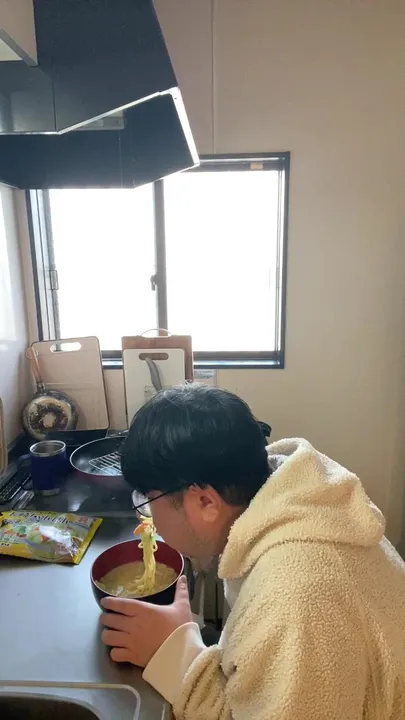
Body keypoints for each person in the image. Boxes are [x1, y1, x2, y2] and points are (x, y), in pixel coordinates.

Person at [100, 383, 405, 719]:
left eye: (149, 499)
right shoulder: (294, 499)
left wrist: (173, 655)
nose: (148, 514)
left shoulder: (294, 596)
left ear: (205, 502)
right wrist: (181, 637)